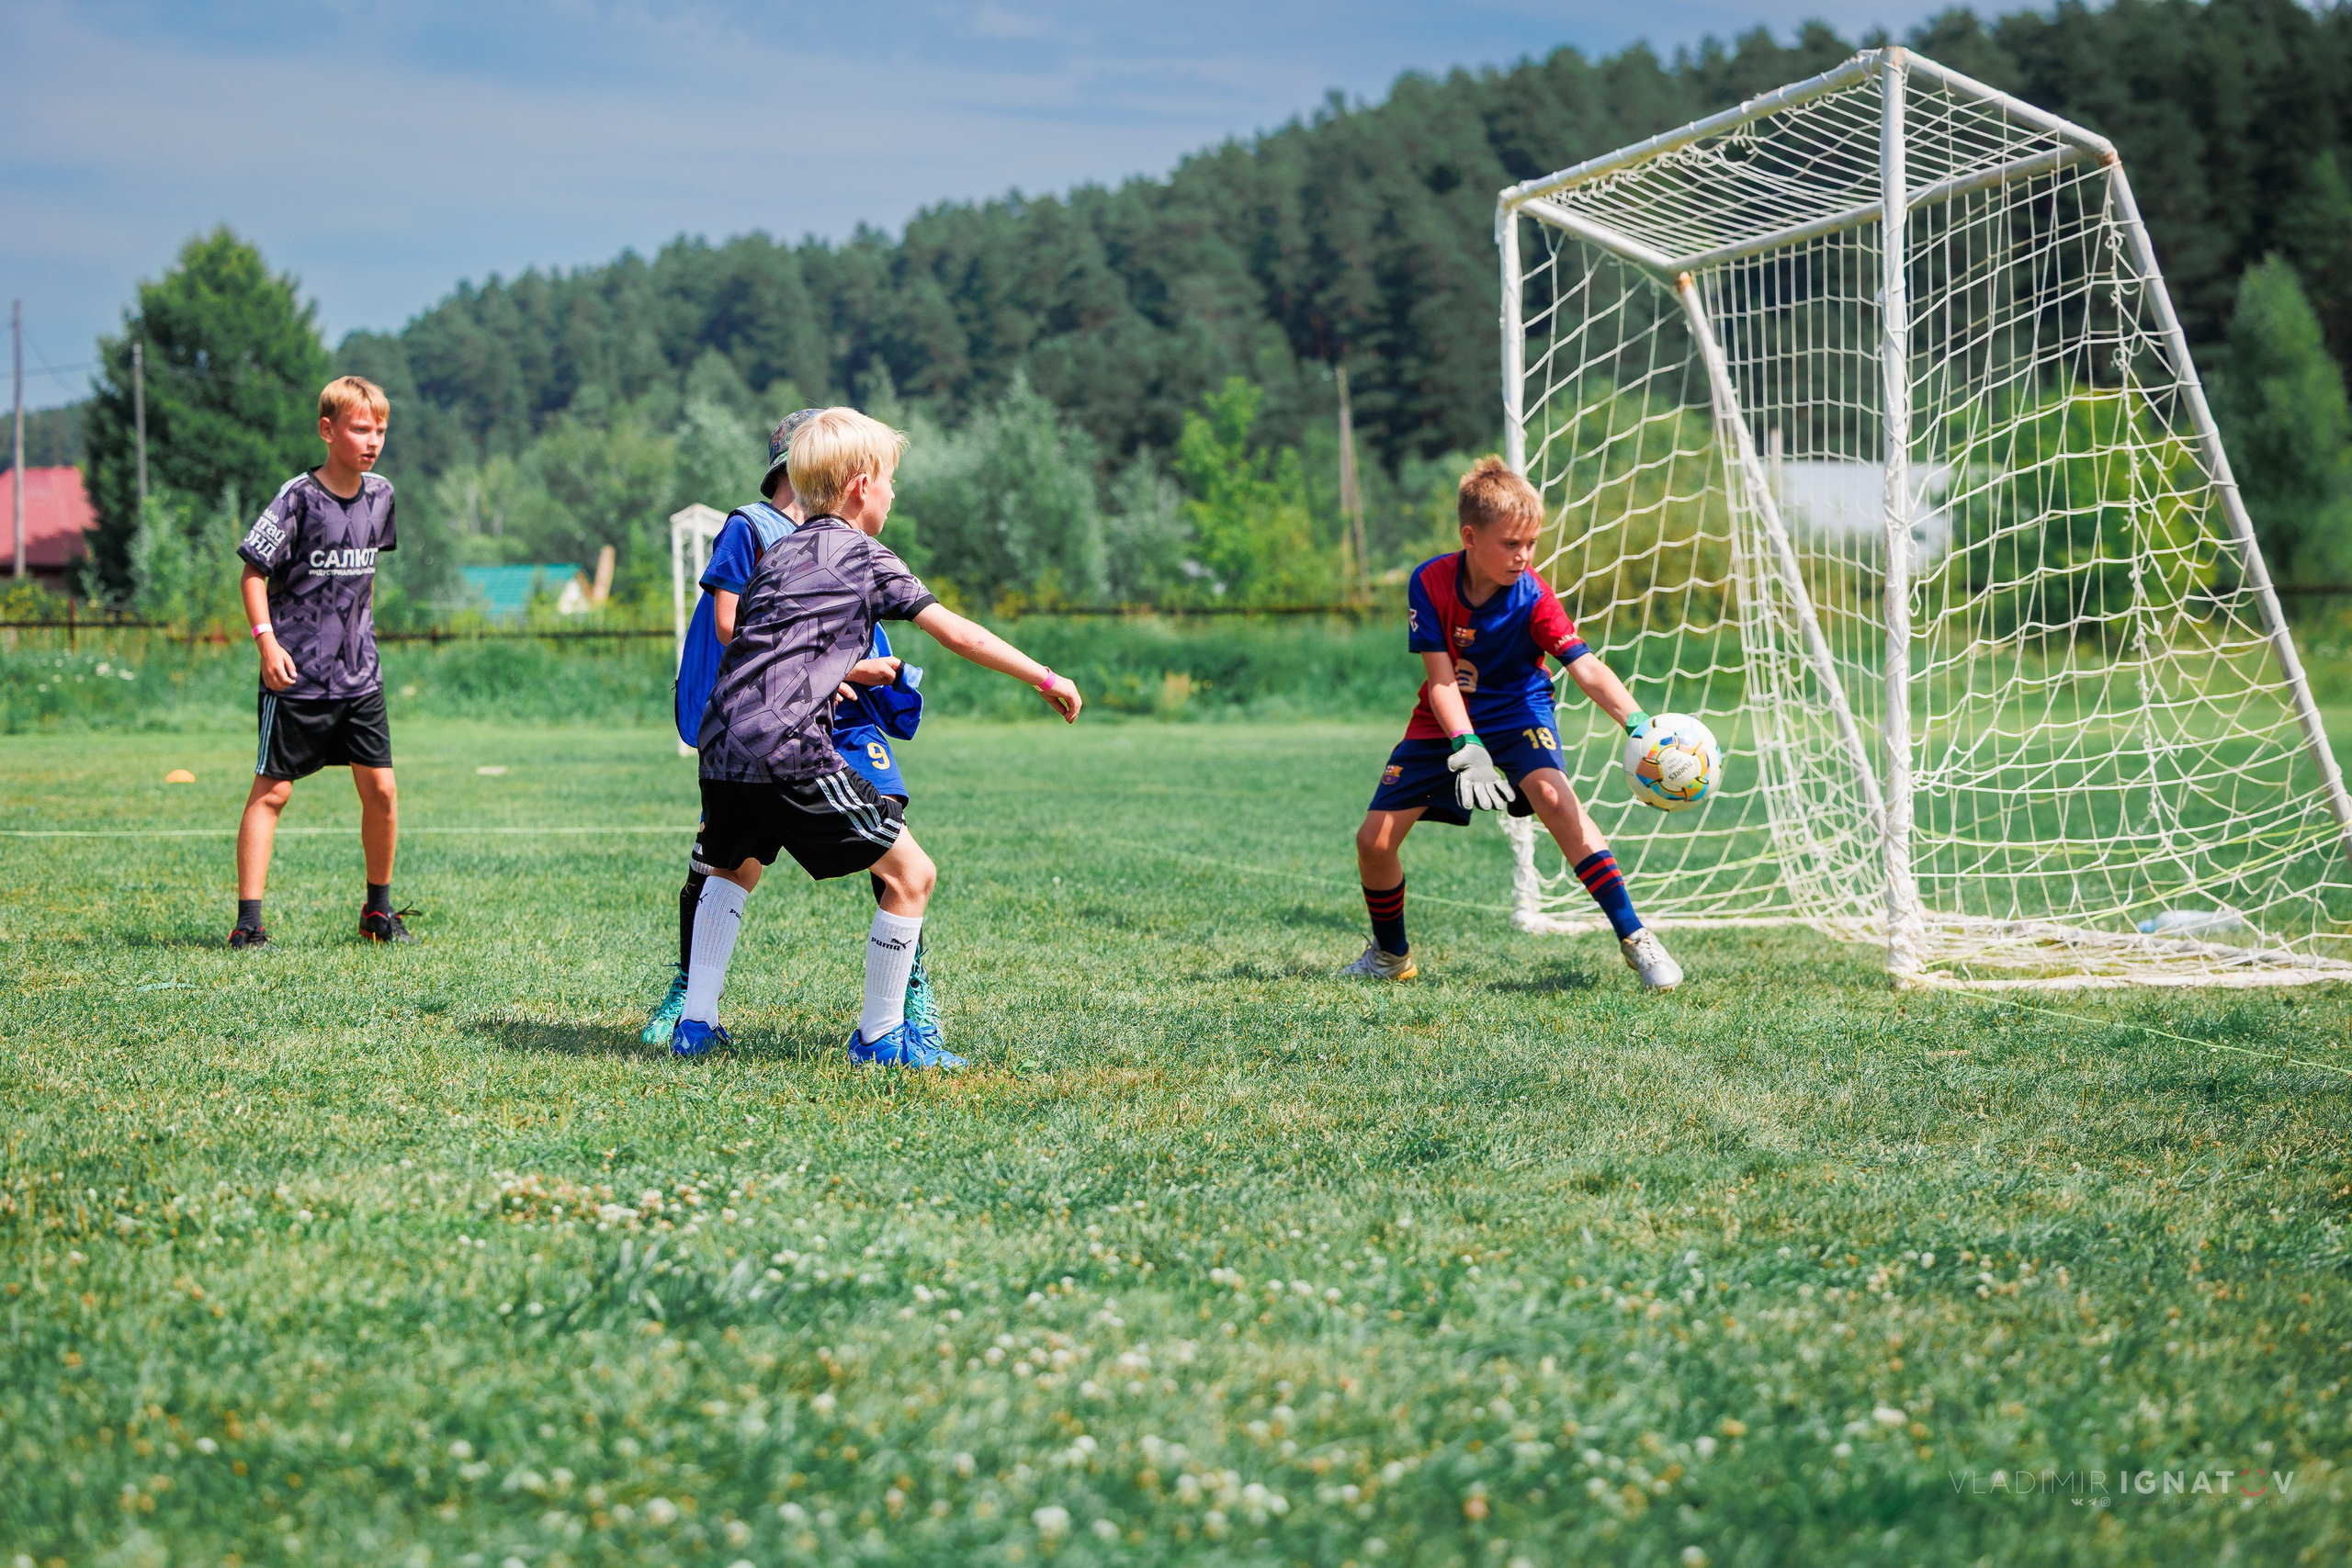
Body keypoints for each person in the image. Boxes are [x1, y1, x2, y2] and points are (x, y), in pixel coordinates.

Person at [672, 406, 1083, 1068]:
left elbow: (758, 640)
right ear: (862, 485)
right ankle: (880, 1038)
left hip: (722, 740)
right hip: (785, 745)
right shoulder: (866, 556)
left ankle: (696, 1024)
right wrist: (1045, 675)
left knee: (732, 867)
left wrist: (836, 669)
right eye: (891, 480)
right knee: (912, 874)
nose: (893, 493)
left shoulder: (777, 553)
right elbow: (958, 633)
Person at [640, 411, 927, 1047]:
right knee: (730, 859)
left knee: (894, 836)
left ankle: (908, 994)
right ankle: (691, 993)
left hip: (847, 713)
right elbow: (732, 626)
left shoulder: (851, 540)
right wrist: (829, 664)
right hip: (778, 716)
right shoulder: (755, 527)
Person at [1345, 456, 1682, 990]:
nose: (1524, 556)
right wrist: (1466, 745)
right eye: (1511, 544)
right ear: (1470, 536)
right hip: (1445, 720)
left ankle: (1636, 936)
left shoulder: (1534, 596)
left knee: (1556, 801)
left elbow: (1586, 667)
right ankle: (1391, 956)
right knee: (1374, 841)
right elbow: (1440, 683)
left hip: (1520, 710)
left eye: (1531, 544)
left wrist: (1637, 724)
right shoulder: (1429, 582)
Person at [229, 375, 411, 949]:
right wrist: (267, 644)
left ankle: (377, 914)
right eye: (361, 428)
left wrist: (364, 639)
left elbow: (365, 583)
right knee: (273, 792)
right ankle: (249, 924)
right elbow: (253, 574)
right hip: (297, 675)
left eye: (380, 429)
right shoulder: (297, 498)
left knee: (381, 790)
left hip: (359, 677)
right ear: (328, 431)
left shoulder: (381, 495)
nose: (372, 439)